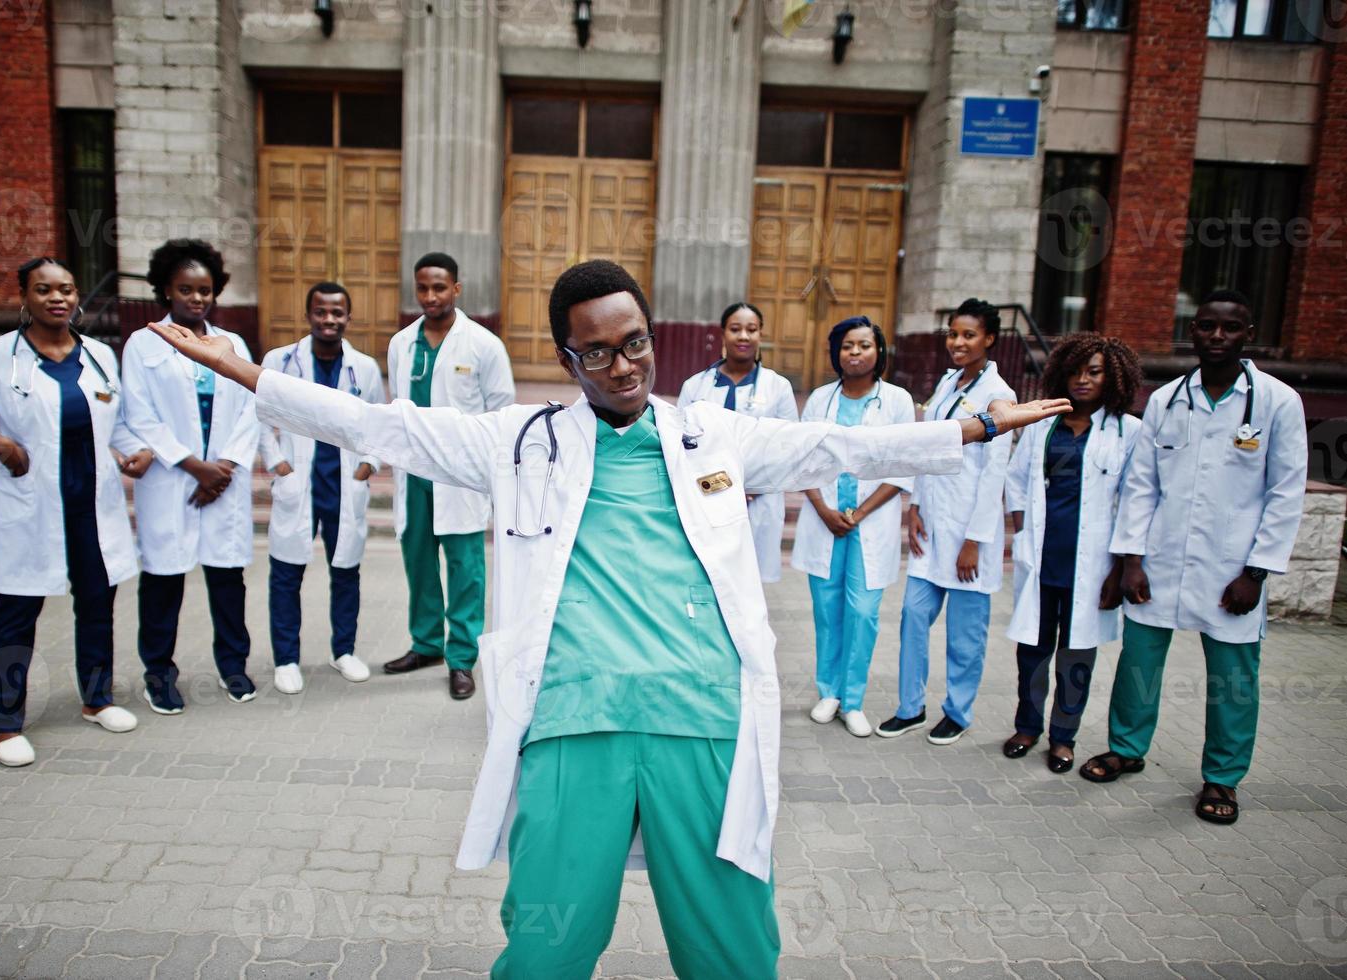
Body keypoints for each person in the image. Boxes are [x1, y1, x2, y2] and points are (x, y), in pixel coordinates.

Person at [145, 259, 1068, 978]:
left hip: (700, 718)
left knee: (733, 951)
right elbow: (385, 426)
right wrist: (243, 374)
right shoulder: (520, 438)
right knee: (546, 948)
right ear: (567, 358)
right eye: (597, 352)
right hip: (571, 719)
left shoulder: (713, 431)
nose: (622, 365)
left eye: (634, 343)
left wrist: (973, 430)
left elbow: (840, 444)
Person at [1081, 289, 1307, 825]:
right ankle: (1126, 747)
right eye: (1206, 327)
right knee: (1139, 662)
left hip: (1232, 567)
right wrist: (1129, 558)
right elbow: (1141, 486)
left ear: (1247, 334)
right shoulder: (1166, 400)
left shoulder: (1277, 401)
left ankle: (1223, 779)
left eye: (1229, 329)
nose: (1216, 337)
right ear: (1194, 331)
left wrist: (1256, 572)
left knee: (1232, 676)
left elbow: (1286, 493)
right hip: (1158, 561)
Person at [0, 258, 153, 767]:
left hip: (92, 508)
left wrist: (140, 450)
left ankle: (97, 699)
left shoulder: (99, 355)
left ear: (77, 296)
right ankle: (7, 726)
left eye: (66, 289)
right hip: (33, 510)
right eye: (43, 290)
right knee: (16, 616)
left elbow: (119, 423)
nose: (57, 298)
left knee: (97, 605)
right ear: (23, 297)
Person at [121, 239, 261, 713]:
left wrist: (224, 467)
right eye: (185, 289)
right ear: (165, 290)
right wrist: (193, 465)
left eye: (205, 290)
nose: (197, 299)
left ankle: (234, 666)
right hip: (172, 478)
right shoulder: (144, 343)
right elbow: (139, 413)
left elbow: (251, 409)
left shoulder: (232, 344)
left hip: (223, 479)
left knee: (227, 581)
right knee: (164, 582)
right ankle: (159, 673)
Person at [878, 298, 1017, 746]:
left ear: (989, 339)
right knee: (913, 617)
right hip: (933, 526)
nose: (958, 342)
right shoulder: (946, 383)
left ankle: (957, 711)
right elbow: (927, 446)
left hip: (968, 536)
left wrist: (975, 540)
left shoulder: (1001, 396)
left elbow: (994, 472)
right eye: (953, 334)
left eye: (968, 335)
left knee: (964, 636)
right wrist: (915, 506)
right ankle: (910, 707)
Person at [1003, 333, 1142, 773]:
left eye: (1094, 372)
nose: (1082, 379)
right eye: (1076, 371)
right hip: (1042, 561)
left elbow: (1135, 501)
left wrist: (1120, 568)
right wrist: (1024, 534)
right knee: (1033, 652)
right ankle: (1027, 727)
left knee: (1076, 655)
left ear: (1112, 377)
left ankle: (1064, 736)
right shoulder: (1042, 424)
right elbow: (1016, 482)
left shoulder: (1128, 431)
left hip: (1094, 565)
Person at [382, 252, 515, 701]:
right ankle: (425, 645)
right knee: (418, 563)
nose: (430, 296)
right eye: (422, 287)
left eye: (440, 287)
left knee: (465, 571)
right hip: (415, 471)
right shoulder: (402, 343)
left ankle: (461, 659)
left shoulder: (483, 344)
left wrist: (495, 477)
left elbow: (502, 414)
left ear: (456, 289)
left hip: (460, 475)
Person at [790, 317, 915, 737]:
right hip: (825, 520)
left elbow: (902, 467)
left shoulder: (896, 401)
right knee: (827, 611)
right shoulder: (820, 400)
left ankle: (853, 700)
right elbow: (801, 460)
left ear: (879, 351)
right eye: (847, 346)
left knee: (863, 612)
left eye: (864, 345)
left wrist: (858, 514)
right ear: (836, 352)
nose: (855, 353)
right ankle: (829, 692)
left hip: (870, 523)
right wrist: (824, 509)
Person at [260, 282, 386, 695]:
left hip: (343, 484)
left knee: (345, 571)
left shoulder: (362, 367)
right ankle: (286, 659)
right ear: (308, 314)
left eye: (337, 313)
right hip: (298, 481)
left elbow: (378, 422)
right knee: (286, 572)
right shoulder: (280, 361)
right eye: (321, 312)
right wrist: (277, 463)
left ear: (348, 317)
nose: (328, 320)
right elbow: (259, 415)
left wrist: (369, 464)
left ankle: (344, 651)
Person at [677, 302, 798, 583]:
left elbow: (789, 444)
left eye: (751, 329)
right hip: (707, 492)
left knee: (751, 583)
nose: (743, 336)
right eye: (735, 329)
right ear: (723, 334)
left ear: (760, 335)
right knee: (710, 576)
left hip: (760, 496)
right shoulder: (696, 386)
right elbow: (679, 443)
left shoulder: (778, 387)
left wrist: (751, 482)